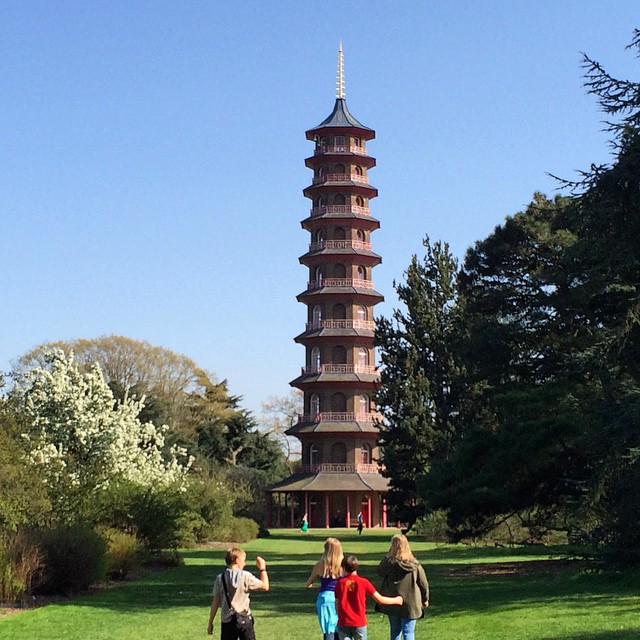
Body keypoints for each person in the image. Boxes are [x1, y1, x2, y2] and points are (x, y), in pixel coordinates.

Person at [335, 554, 403, 640]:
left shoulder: (340, 583)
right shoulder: (364, 582)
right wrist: (397, 600)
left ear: (343, 568)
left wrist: (339, 616)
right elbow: (380, 599)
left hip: (343, 622)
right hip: (359, 622)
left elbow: (337, 604)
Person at [207, 547, 269, 640]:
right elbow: (265, 586)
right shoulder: (246, 576)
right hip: (245, 620)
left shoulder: (220, 578)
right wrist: (262, 568)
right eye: (243, 560)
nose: (245, 563)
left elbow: (215, 602)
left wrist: (210, 622)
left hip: (227, 622)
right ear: (237, 560)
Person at [376, 534, 429, 640]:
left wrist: (388, 556)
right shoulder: (414, 565)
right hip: (411, 602)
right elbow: (423, 584)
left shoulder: (389, 563)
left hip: (393, 601)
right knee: (408, 632)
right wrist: (425, 599)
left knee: (395, 631)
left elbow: (380, 571)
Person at [306, 537, 344, 640]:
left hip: (325, 599)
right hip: (339, 598)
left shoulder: (319, 565)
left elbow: (309, 581)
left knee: (328, 628)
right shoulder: (343, 566)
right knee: (340, 628)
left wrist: (310, 584)